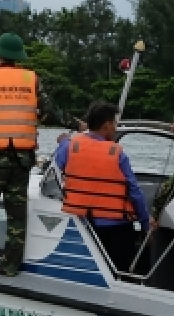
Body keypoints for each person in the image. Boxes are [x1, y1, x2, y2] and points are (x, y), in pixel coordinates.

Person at [0, 33, 80, 276]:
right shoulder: (31, 79)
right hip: (22, 160)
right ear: (18, 57)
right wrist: (78, 124)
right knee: (17, 216)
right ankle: (10, 266)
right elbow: (48, 113)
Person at [56, 102, 149, 274]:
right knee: (121, 270)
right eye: (114, 123)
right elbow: (134, 192)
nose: (115, 127)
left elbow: (58, 164)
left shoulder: (70, 146)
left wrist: (63, 141)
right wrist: (145, 224)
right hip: (116, 226)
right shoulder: (117, 153)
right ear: (106, 125)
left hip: (82, 223)